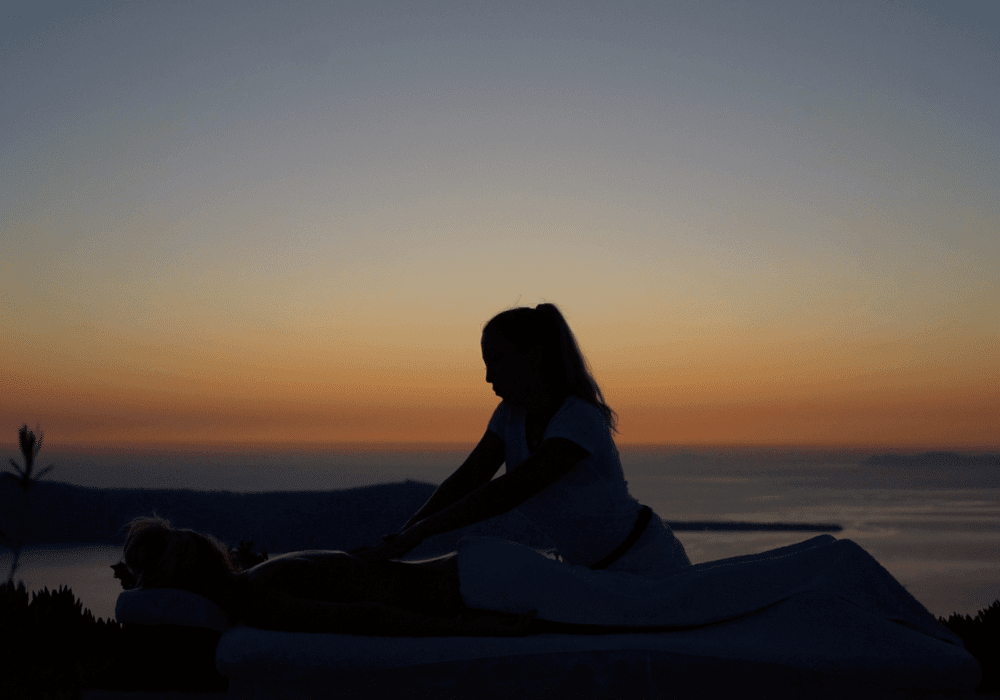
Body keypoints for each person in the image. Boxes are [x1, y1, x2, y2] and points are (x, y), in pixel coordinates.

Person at [358, 303, 690, 577]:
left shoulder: (578, 417)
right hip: (589, 573)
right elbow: (470, 477)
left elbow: (509, 491)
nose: (488, 377)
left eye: (496, 361)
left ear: (533, 356)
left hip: (646, 565)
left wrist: (419, 533)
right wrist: (403, 535)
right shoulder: (509, 415)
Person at [122, 515, 539, 636]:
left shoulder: (257, 599)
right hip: (475, 568)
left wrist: (471, 629)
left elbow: (366, 616)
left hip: (475, 589)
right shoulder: (262, 576)